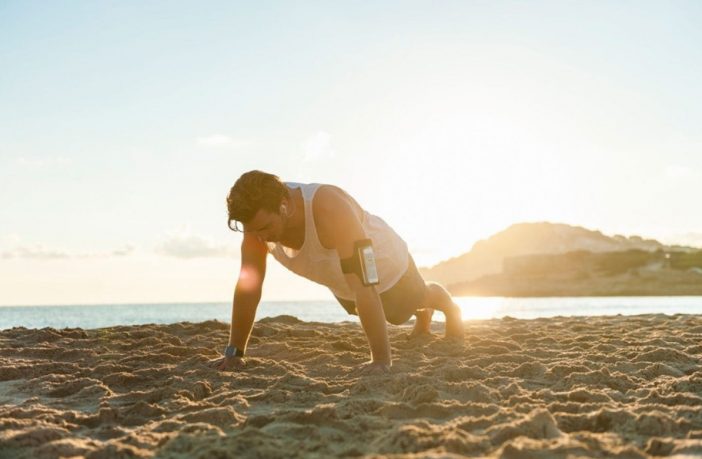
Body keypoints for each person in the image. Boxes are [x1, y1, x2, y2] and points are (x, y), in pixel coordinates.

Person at [208, 170, 464, 375]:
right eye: (253, 230)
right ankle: (422, 315)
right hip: (338, 277)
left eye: (265, 227)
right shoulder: (256, 228)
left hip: (385, 261)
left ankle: (446, 305)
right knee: (370, 310)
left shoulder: (329, 209)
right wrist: (234, 353)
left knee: (401, 309)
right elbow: (249, 288)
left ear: (284, 205)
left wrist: (381, 360)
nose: (260, 237)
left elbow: (365, 284)